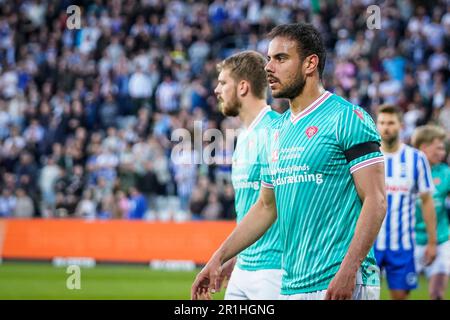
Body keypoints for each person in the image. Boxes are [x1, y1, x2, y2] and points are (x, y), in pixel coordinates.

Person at [192, 23, 386, 300]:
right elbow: (265, 207)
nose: (269, 67)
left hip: (341, 284)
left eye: (280, 59)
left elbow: (376, 200)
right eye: (269, 59)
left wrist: (349, 270)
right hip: (291, 287)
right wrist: (219, 257)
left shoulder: (347, 118)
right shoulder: (277, 131)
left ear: (310, 64)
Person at [212, 51, 282, 299]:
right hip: (242, 269)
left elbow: (272, 206)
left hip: (274, 271)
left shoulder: (276, 131)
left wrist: (219, 255)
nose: (217, 90)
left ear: (242, 87)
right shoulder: (242, 136)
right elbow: (247, 208)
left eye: (222, 83)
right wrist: (237, 255)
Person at [374, 105, 437, 300]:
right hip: (370, 244)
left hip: (402, 244)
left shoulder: (416, 159)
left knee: (400, 297)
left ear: (401, 126)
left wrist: (432, 242)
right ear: (376, 125)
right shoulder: (369, 157)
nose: (386, 127)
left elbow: (427, 201)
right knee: (364, 295)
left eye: (391, 123)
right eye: (382, 123)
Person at [412, 125, 449, 300]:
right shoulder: (406, 170)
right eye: (439, 147)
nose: (443, 152)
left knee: (437, 294)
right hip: (409, 241)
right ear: (424, 147)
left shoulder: (446, 173)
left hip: (440, 240)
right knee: (400, 293)